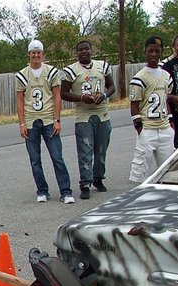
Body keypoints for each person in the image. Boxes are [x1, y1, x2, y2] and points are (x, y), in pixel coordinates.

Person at [16, 39, 75, 204]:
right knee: (35, 159)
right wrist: (21, 123)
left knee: (57, 156)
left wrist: (57, 119)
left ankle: (66, 191)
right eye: (33, 53)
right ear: (29, 54)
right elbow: (20, 100)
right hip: (30, 121)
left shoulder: (51, 72)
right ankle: (42, 190)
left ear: (42, 54)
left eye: (38, 53)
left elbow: (57, 96)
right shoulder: (22, 75)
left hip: (49, 119)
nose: (36, 55)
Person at [60, 40, 115, 200]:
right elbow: (64, 93)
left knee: (101, 148)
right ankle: (85, 183)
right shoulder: (70, 70)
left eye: (86, 49)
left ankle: (98, 178)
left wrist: (103, 95)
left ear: (91, 50)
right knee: (85, 150)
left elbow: (112, 87)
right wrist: (82, 97)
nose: (84, 52)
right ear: (77, 53)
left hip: (102, 112)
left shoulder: (102, 66)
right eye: (80, 50)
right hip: (83, 114)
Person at [128, 36, 174, 183]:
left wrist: (171, 121)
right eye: (150, 51)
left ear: (161, 52)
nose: (153, 54)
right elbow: (134, 105)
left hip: (164, 127)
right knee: (139, 168)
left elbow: (166, 99)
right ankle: (138, 197)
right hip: (148, 128)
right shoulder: (140, 77)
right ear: (145, 52)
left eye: (157, 51)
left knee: (167, 168)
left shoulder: (166, 76)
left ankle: (166, 196)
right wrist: (139, 128)